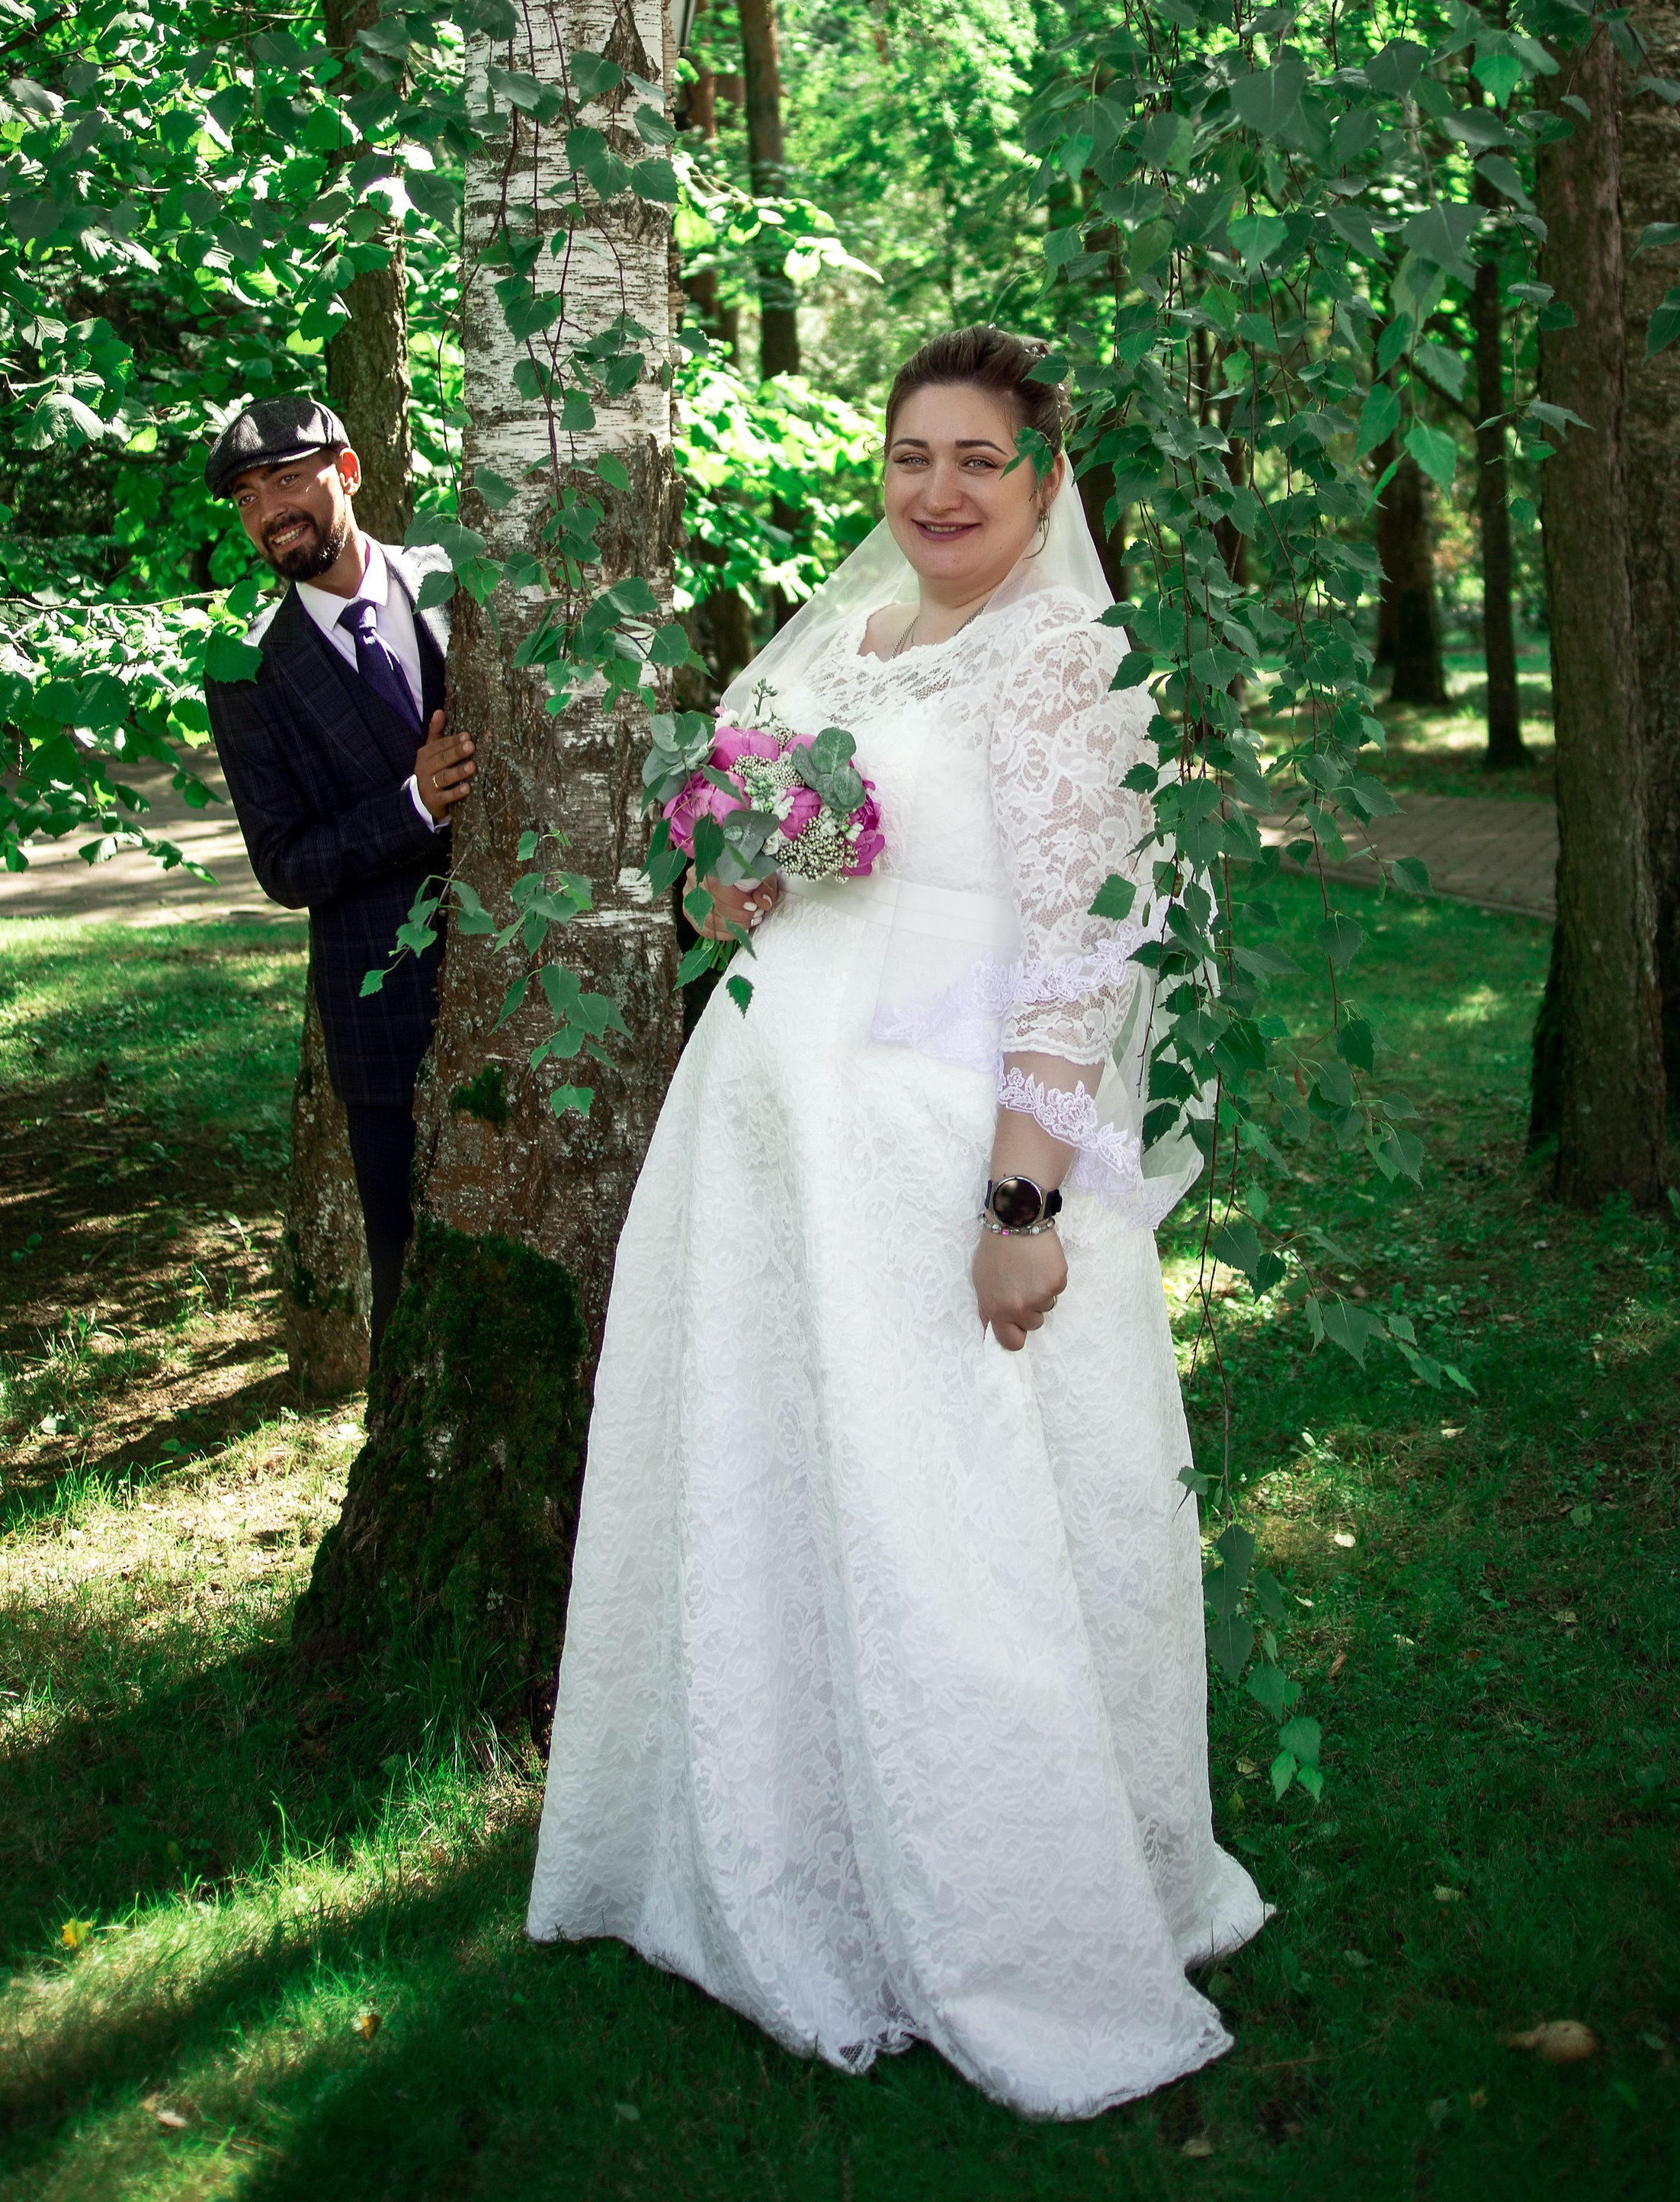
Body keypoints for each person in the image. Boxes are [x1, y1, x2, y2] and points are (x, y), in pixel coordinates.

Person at [527, 326, 1266, 2118]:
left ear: (1041, 480)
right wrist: (740, 859)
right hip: (768, 1126)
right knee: (776, 1485)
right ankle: (780, 1851)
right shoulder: (836, 639)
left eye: (975, 461)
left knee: (952, 1520)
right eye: (910, 453)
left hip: (944, 1146)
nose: (935, 490)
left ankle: (995, 1905)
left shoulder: (1070, 667)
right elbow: (724, 887)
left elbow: (1082, 954)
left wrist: (1021, 1201)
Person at [201, 395, 477, 1366]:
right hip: (383, 1009)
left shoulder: (458, 580)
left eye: (286, 479)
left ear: (347, 473)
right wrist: (412, 806)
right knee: (404, 1258)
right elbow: (283, 864)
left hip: (537, 968)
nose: (269, 510)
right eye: (246, 495)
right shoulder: (245, 673)